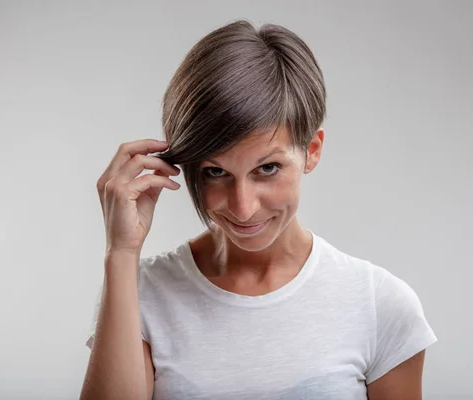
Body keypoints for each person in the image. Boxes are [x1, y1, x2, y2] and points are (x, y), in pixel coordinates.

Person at [80, 19, 437, 400]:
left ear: (312, 150)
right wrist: (121, 253)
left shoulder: (379, 304)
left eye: (267, 168)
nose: (243, 207)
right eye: (216, 172)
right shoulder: (143, 294)